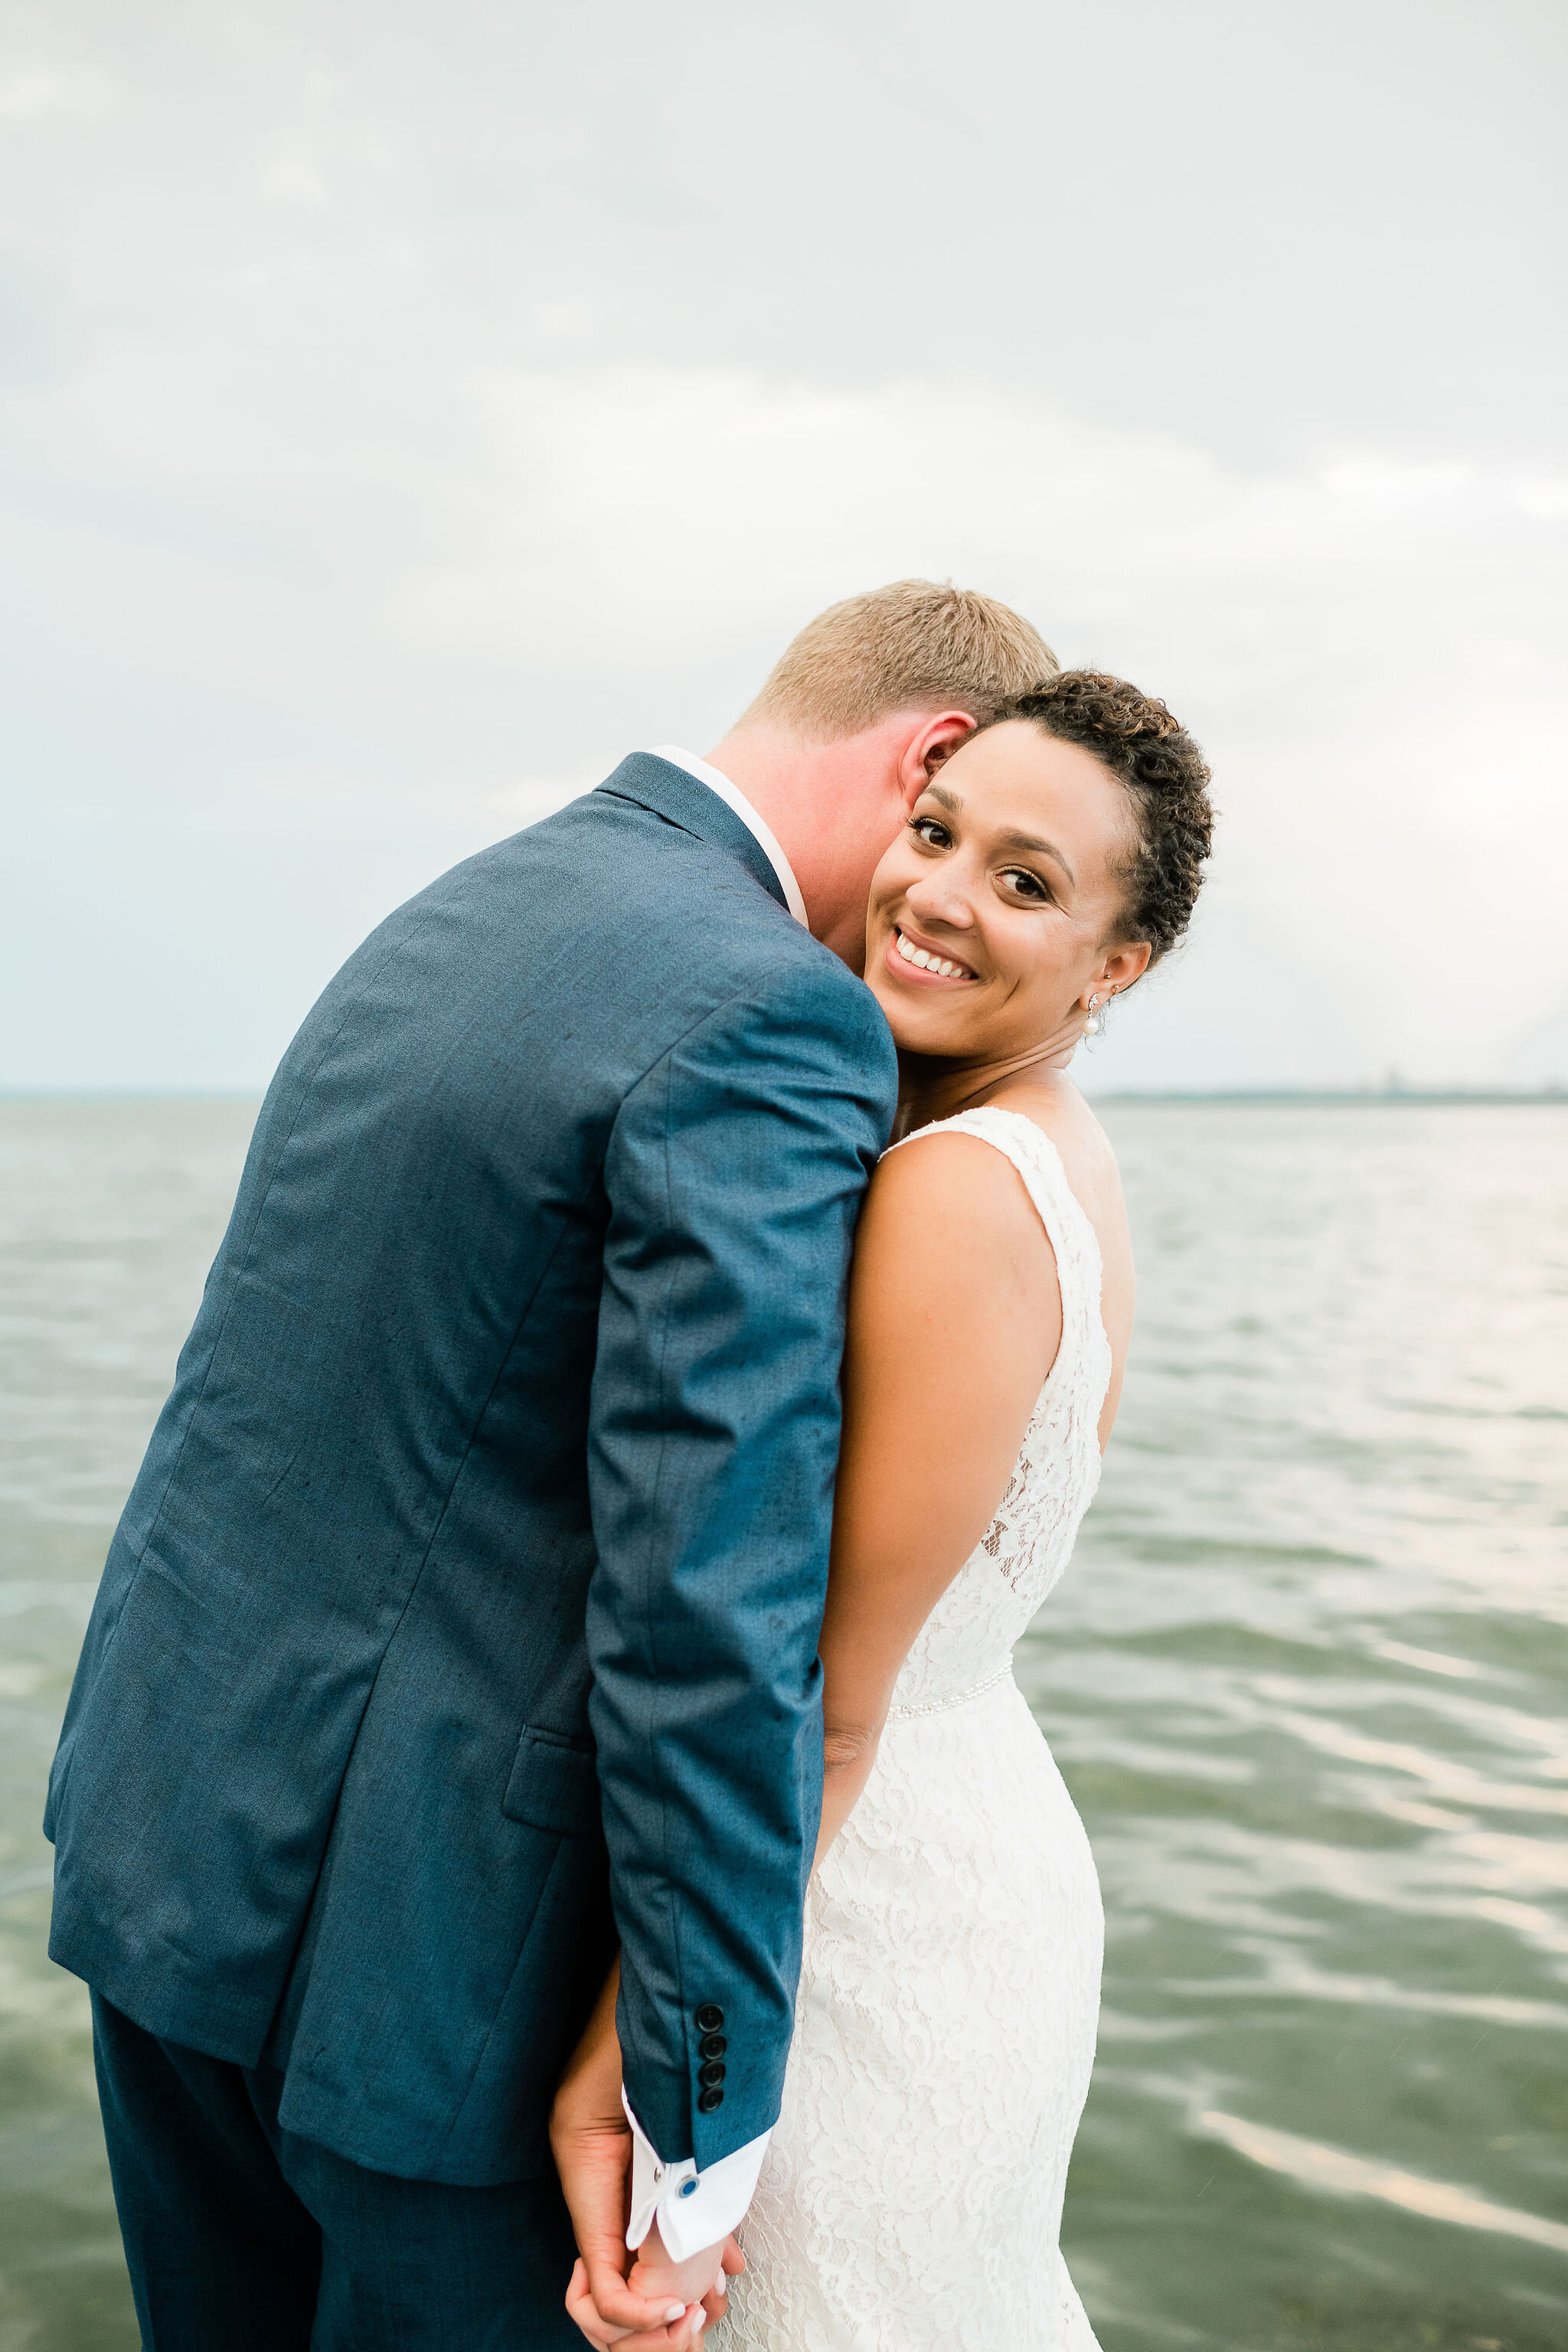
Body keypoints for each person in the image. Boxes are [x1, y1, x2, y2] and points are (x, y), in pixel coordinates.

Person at [43, 580, 1056, 2350]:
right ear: (938, 759)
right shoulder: (768, 1014)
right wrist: (696, 2113)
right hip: (428, 2001)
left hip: (171, 1865)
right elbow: (705, 1600)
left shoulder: (476, 900)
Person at [722, 672, 1213, 2347]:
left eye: (1026, 882)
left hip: (872, 1920)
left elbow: (833, 1712)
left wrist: (648, 2048)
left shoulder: (952, 1189)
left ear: (1115, 963)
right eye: (934, 834)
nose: (936, 894)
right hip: (970, 1844)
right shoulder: (1046, 1142)